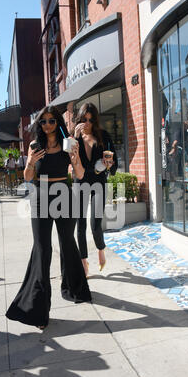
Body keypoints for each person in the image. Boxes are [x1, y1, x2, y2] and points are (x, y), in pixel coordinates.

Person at [6, 105, 91, 329]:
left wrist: (76, 157)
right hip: (41, 197)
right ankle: (38, 310)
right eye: (43, 121)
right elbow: (27, 177)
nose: (47, 125)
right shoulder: (35, 145)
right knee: (42, 250)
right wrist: (31, 161)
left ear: (58, 123)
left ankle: (74, 289)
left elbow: (80, 174)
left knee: (67, 243)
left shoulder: (69, 143)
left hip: (64, 194)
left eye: (51, 121)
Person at [72, 102, 117, 277]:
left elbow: (114, 160)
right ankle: (84, 261)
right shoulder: (73, 137)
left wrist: (110, 164)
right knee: (80, 224)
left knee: (95, 223)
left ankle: (100, 249)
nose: (87, 123)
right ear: (80, 119)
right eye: (84, 119)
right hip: (81, 181)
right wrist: (75, 138)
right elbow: (70, 159)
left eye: (91, 119)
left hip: (99, 181)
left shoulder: (103, 136)